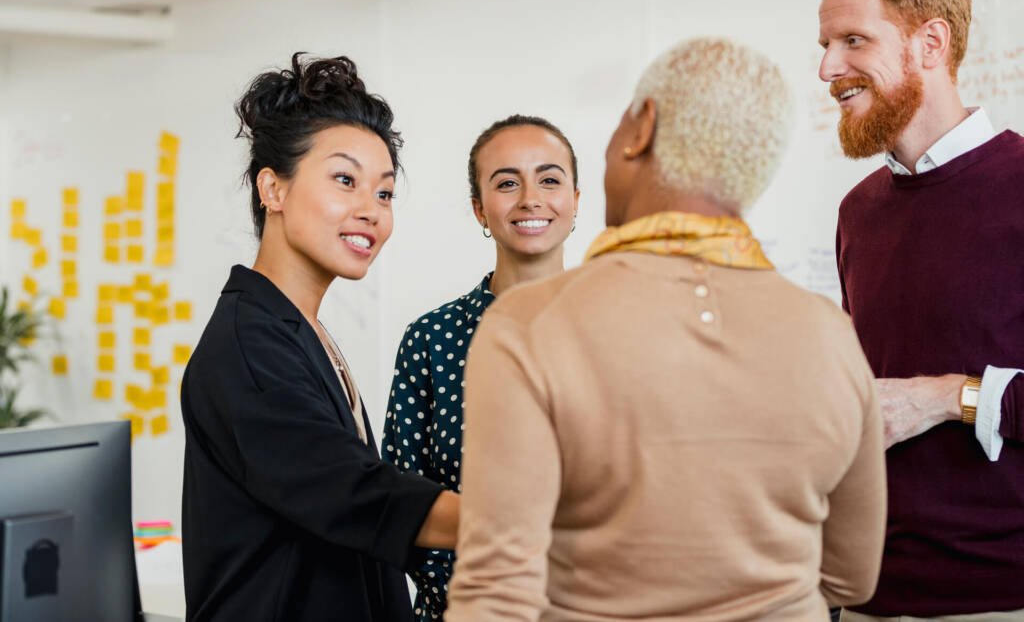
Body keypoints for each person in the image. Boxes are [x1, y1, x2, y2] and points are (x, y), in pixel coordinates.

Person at [446, 37, 886, 621]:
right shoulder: (829, 334)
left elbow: (495, 595)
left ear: (641, 126)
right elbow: (851, 576)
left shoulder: (529, 325)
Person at [180, 53, 459, 621]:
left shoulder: (296, 327)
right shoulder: (248, 347)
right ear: (272, 189)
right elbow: (355, 494)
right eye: (344, 180)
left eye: (383, 193)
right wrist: (543, 522)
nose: (370, 211)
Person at [815, 0, 1024, 620]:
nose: (827, 69)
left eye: (853, 40)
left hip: (998, 598)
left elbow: (916, 399)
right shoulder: (858, 211)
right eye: (824, 44)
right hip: (866, 595)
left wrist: (949, 398)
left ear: (930, 42)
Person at [382, 114, 579, 621]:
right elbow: (400, 501)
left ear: (575, 202)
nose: (531, 198)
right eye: (507, 182)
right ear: (480, 210)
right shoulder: (431, 340)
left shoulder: (622, 329)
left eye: (550, 179)